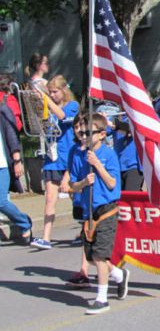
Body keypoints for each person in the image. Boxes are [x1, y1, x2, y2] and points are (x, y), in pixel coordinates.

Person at [69, 113, 129, 315]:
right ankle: (119, 275)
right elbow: (73, 186)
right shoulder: (77, 154)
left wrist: (98, 164)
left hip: (107, 209)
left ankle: (102, 299)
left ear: (102, 134)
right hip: (88, 210)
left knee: (100, 256)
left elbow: (112, 183)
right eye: (81, 132)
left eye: (88, 132)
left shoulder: (108, 154)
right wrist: (84, 183)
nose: (83, 135)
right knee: (92, 257)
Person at [30, 75, 79, 250]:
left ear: (63, 90)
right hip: (53, 158)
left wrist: (46, 100)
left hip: (68, 158)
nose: (52, 95)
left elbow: (63, 116)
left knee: (76, 196)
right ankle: (46, 237)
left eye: (55, 92)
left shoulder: (72, 106)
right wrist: (39, 102)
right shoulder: (49, 107)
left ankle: (85, 229)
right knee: (50, 198)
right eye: (50, 92)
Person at [62, 113, 92, 288]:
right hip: (79, 196)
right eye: (76, 127)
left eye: (83, 126)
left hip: (94, 199)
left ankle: (87, 270)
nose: (79, 130)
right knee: (85, 234)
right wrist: (66, 181)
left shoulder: (93, 150)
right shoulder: (74, 150)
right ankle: (84, 271)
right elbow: (70, 170)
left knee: (89, 235)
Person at [0, 101, 32, 245]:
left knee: (1, 202)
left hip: (2, 164)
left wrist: (17, 160)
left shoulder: (3, 110)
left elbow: (12, 136)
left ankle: (24, 222)